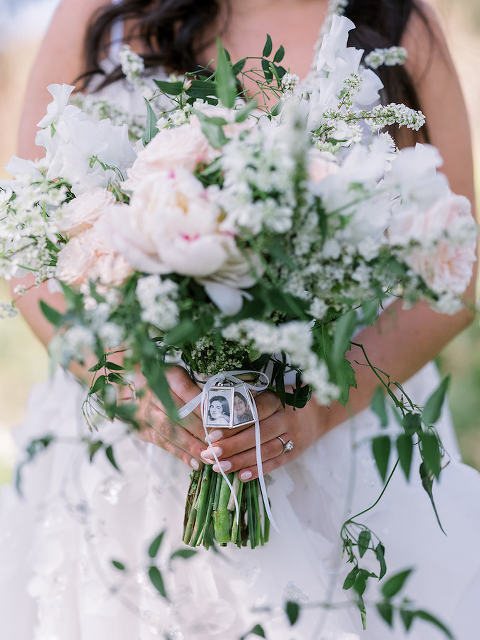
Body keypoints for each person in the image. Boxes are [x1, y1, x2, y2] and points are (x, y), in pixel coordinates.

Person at [1, 0, 480, 638]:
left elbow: (457, 269)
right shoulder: (98, 13)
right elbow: (23, 245)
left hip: (346, 443)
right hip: (126, 463)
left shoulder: (396, 24)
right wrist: (122, 386)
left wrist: (323, 408)